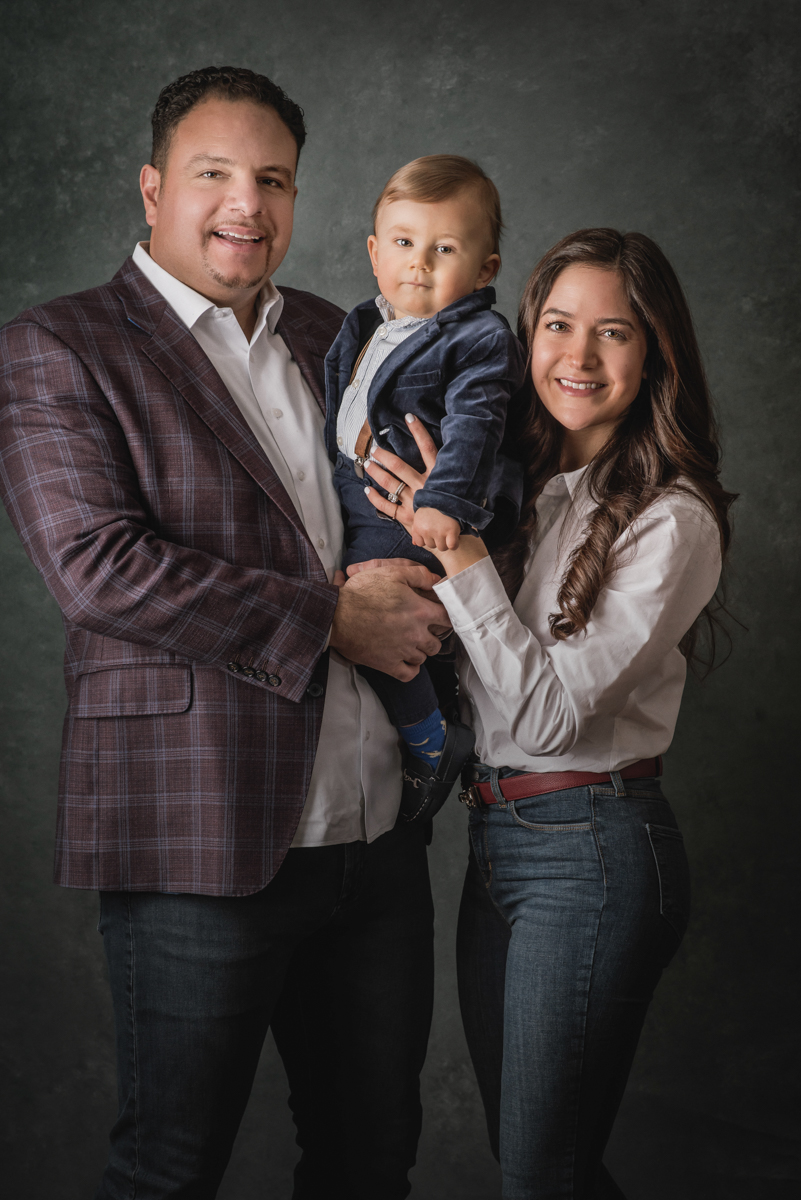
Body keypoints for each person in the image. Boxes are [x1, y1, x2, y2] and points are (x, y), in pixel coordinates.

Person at [0, 66, 451, 1200]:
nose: (246, 204)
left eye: (273, 180)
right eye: (214, 175)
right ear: (152, 189)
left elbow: (411, 508)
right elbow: (98, 570)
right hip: (199, 842)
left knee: (369, 1164)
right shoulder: (62, 347)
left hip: (377, 843)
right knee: (169, 1171)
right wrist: (334, 619)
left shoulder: (334, 333)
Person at [360, 227, 736, 1198]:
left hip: (595, 848)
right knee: (539, 1164)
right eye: (557, 325)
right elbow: (467, 665)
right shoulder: (510, 487)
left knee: (542, 1172)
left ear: (654, 353)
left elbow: (554, 716)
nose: (577, 356)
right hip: (498, 838)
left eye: (613, 333)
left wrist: (461, 557)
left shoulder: (672, 515)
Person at [325, 155, 526, 816]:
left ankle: (432, 743)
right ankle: (434, 723)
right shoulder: (364, 326)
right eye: (405, 244)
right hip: (361, 499)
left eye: (444, 249)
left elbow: (475, 422)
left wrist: (445, 502)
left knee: (383, 624)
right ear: (375, 253)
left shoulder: (477, 337)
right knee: (376, 629)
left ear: (484, 270)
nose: (420, 263)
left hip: (419, 509)